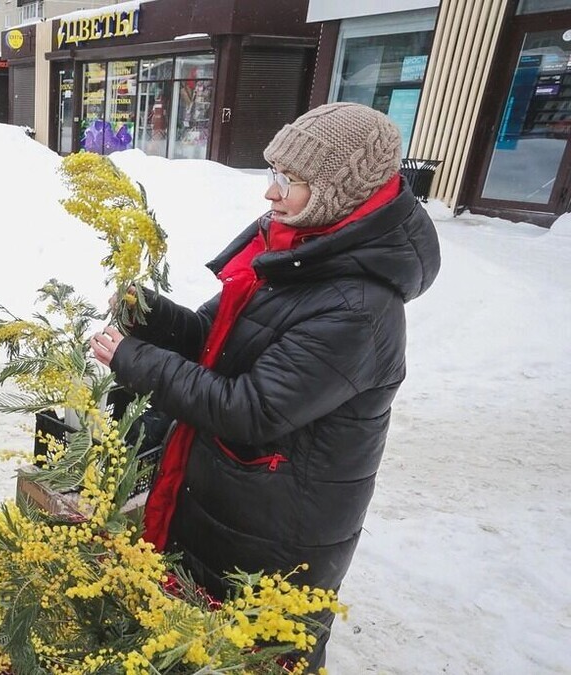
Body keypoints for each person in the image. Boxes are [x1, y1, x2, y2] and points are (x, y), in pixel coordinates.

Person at [89, 102, 441, 669]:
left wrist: (137, 361)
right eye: (272, 174)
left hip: (275, 540)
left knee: (247, 656)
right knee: (193, 643)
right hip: (230, 503)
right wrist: (151, 315)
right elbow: (217, 338)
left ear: (338, 194)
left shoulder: (358, 307)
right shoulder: (295, 251)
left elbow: (249, 409)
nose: (270, 194)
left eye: (289, 181)